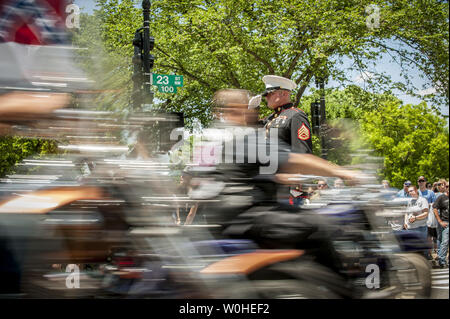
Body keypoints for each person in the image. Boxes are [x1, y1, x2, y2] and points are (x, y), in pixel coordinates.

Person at [261, 75, 312, 154]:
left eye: (270, 94)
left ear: (284, 94)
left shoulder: (296, 116)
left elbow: (302, 153)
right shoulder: (270, 118)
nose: (266, 97)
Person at [432, 183, 449, 268]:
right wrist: (440, 221)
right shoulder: (441, 197)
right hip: (446, 222)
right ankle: (442, 260)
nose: (448, 188)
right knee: (445, 242)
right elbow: (434, 207)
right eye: (447, 186)